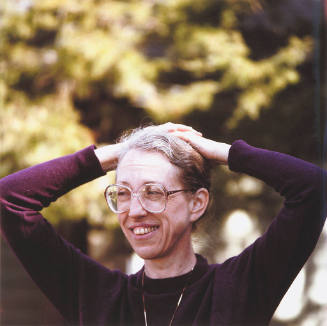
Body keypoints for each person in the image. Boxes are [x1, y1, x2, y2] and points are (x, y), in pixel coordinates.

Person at [0, 122, 326, 325]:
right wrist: (120, 154)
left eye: (153, 192)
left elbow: (313, 187)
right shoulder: (95, 294)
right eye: (123, 193)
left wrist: (221, 152)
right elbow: (10, 198)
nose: (135, 210)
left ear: (197, 203)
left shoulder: (239, 287)